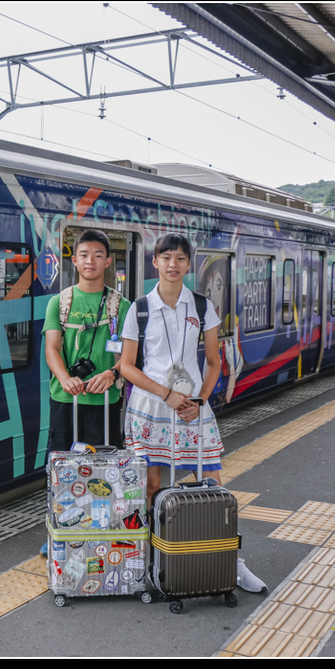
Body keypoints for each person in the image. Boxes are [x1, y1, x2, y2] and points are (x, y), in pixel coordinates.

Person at [119, 233, 266, 593]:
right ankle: (154, 563)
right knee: (151, 487)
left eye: (180, 259)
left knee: (213, 483)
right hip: (150, 409)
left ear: (189, 265)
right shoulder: (138, 308)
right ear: (154, 262)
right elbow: (126, 367)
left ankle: (228, 561)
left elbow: (214, 362)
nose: (173, 265)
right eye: (166, 258)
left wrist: (199, 400)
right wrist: (167, 394)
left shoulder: (202, 307)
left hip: (192, 410)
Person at [40, 229, 130, 556]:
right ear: (74, 260)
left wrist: (112, 372)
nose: (90, 261)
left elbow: (128, 355)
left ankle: (98, 532)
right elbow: (52, 348)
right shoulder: (59, 302)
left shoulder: (122, 305)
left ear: (108, 261)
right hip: (66, 399)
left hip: (105, 401)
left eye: (97, 255)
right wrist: (64, 378)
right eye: (84, 255)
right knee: (61, 466)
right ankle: (59, 530)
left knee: (104, 469)